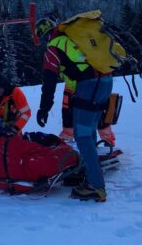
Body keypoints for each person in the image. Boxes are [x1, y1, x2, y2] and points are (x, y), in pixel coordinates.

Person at [35, 15, 113, 202]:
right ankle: (90, 175)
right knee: (88, 132)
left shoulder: (54, 47)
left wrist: (44, 109)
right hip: (105, 82)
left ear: (44, 36)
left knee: (83, 135)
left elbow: (49, 81)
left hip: (89, 86)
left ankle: (96, 186)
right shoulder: (73, 38)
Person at [60, 80, 116, 147]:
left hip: (78, 82)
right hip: (98, 81)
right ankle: (108, 141)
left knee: (69, 109)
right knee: (99, 109)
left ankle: (68, 140)